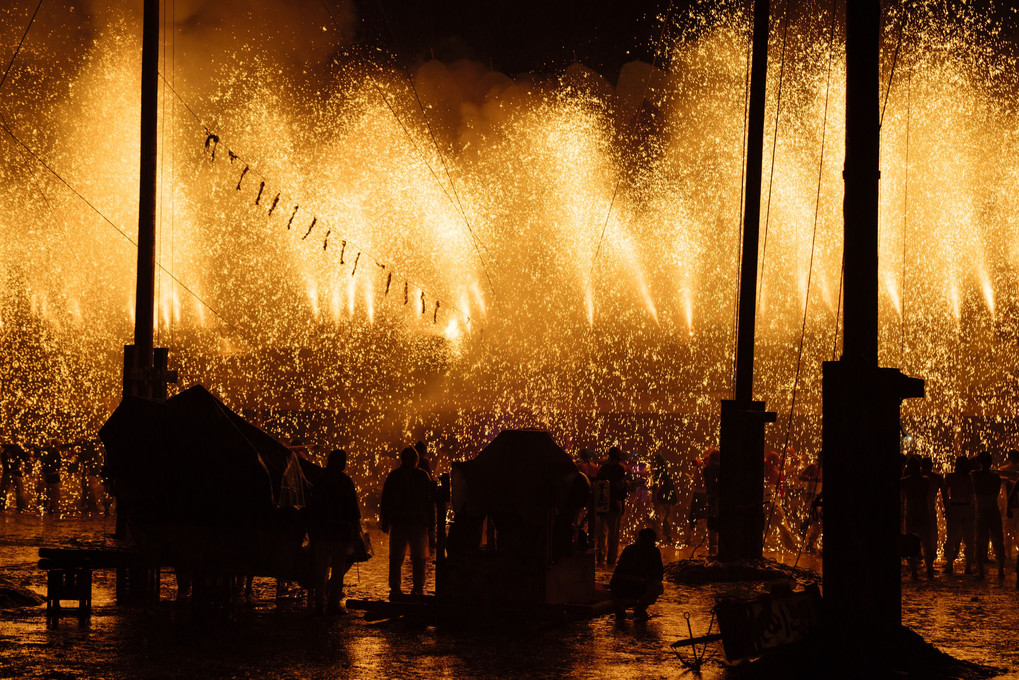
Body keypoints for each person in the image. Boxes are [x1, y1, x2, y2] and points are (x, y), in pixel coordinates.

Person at [309, 449, 361, 614]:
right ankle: (332, 603)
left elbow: (313, 507)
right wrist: (355, 530)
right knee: (338, 569)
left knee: (321, 568)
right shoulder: (345, 482)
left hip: (322, 531)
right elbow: (353, 510)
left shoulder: (320, 479)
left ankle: (319, 602)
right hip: (339, 532)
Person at [380, 447, 434, 599]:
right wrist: (431, 523)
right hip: (416, 522)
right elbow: (429, 502)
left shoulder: (394, 476)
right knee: (418, 557)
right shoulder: (422, 476)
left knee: (397, 557)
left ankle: (396, 588)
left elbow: (385, 501)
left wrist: (384, 520)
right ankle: (417, 588)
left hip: (400, 521)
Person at [610, 527, 664, 622]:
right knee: (657, 586)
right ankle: (626, 607)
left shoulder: (653, 552)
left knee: (657, 586)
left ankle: (638, 608)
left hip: (639, 586)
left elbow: (659, 575)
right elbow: (619, 574)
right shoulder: (631, 550)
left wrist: (646, 579)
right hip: (625, 586)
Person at [971, 450, 1006, 579]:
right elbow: (996, 493)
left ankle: (980, 571)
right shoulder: (995, 477)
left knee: (979, 541)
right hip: (993, 509)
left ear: (979, 462)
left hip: (981, 511)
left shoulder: (975, 475)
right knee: (998, 540)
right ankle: (1000, 569)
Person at [901, 456, 933, 579]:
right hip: (923, 509)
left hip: (911, 510)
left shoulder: (904, 481)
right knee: (926, 542)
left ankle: (914, 573)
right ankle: (929, 570)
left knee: (910, 542)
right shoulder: (926, 480)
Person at [596, 447, 628, 566]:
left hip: (601, 505)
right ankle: (610, 560)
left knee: (601, 534)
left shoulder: (603, 468)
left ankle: (600, 557)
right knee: (613, 535)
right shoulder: (619, 469)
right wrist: (622, 502)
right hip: (614, 504)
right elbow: (621, 487)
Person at [942, 455, 974, 575]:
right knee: (966, 538)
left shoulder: (952, 477)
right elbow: (973, 494)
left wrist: (947, 508)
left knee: (953, 538)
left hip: (956, 507)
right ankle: (966, 566)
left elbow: (945, 494)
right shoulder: (968, 477)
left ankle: (952, 565)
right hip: (963, 507)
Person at [997, 449, 1019, 562]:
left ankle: (1009, 555)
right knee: (1008, 532)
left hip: (1011, 505)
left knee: (1009, 532)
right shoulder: (1003, 471)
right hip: (1009, 505)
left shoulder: (1004, 471)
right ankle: (1008, 555)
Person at [921, 456, 946, 556]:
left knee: (928, 533)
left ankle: (925, 554)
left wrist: (946, 509)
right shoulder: (937, 478)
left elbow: (943, 495)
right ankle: (928, 554)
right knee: (930, 533)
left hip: (922, 509)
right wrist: (946, 509)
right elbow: (944, 495)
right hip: (925, 509)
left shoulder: (937, 477)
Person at [652, 452, 678, 544]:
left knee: (659, 518)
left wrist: (655, 495)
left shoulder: (659, 470)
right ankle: (668, 536)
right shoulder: (666, 470)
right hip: (669, 497)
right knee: (668, 518)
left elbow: (659, 483)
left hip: (661, 497)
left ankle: (659, 536)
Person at [1, 442, 30, 512]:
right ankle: (21, 507)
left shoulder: (3, 453)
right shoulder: (18, 451)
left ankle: (1, 506)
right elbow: (26, 457)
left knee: (3, 491)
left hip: (7, 473)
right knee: (20, 492)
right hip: (16, 473)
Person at [37, 442, 62, 516]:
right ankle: (53, 508)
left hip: (47, 476)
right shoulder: (54, 453)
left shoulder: (46, 453)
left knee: (48, 492)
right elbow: (57, 465)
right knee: (54, 493)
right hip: (53, 476)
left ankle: (46, 507)